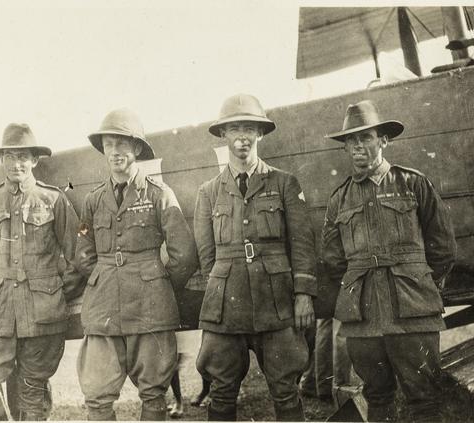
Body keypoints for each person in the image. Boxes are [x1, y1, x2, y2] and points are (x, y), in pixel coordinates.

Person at [322, 100, 457, 421]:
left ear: (383, 140)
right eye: (351, 140)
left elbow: (443, 247)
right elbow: (332, 259)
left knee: (424, 398)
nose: (357, 146)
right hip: (363, 320)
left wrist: (420, 283)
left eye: (365, 137)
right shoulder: (339, 199)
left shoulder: (413, 183)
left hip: (412, 312)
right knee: (377, 397)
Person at [194, 94, 317, 421]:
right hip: (226, 307)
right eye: (234, 129)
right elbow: (207, 256)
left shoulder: (284, 183)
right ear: (223, 135)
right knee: (221, 391)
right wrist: (221, 288)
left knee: (285, 389)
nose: (242, 137)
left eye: (249, 128)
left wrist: (303, 294)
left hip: (275, 302)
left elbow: (303, 243)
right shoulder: (208, 192)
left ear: (260, 134)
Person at [75, 108, 198, 420]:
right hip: (103, 309)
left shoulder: (159, 194)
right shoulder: (94, 199)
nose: (115, 152)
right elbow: (84, 254)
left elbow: (184, 253)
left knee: (154, 393)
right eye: (109, 145)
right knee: (97, 397)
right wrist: (106, 279)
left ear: (138, 149)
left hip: (150, 308)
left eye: (123, 144)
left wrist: (157, 282)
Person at [0, 123, 83, 420]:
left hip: (42, 315)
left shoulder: (53, 200)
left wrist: (56, 292)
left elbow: (80, 254)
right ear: (1, 160)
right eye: (10, 156)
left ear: (35, 160)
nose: (17, 163)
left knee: (32, 390)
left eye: (23, 156)